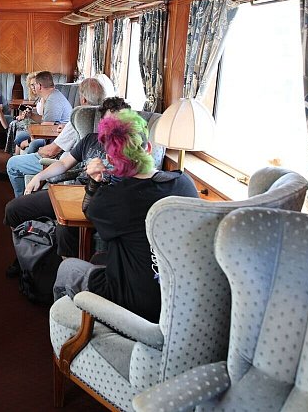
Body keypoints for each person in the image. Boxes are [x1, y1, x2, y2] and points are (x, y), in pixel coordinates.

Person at [53, 109, 199, 322]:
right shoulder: (185, 184)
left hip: (135, 305)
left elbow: (89, 211)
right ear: (148, 148)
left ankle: (70, 326)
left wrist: (94, 181)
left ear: (109, 158)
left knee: (68, 269)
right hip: (182, 300)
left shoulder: (112, 199)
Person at [4, 97, 130, 279]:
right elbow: (63, 163)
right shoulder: (90, 140)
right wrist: (39, 176)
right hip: (73, 193)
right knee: (14, 209)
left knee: (65, 230)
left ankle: (66, 279)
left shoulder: (131, 148)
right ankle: (23, 256)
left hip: (103, 201)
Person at [5, 78, 106, 197]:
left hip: (65, 164)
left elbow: (51, 151)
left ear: (83, 99)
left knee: (12, 163)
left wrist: (39, 150)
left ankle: (21, 198)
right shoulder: (106, 117)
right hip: (90, 170)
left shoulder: (79, 117)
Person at [5, 71, 43, 154]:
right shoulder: (40, 98)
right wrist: (31, 109)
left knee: (15, 124)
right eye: (31, 85)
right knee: (15, 124)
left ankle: (14, 154)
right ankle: (14, 155)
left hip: (38, 126)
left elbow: (44, 119)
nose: (33, 87)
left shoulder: (45, 98)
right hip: (36, 123)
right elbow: (39, 110)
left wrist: (30, 114)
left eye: (35, 84)